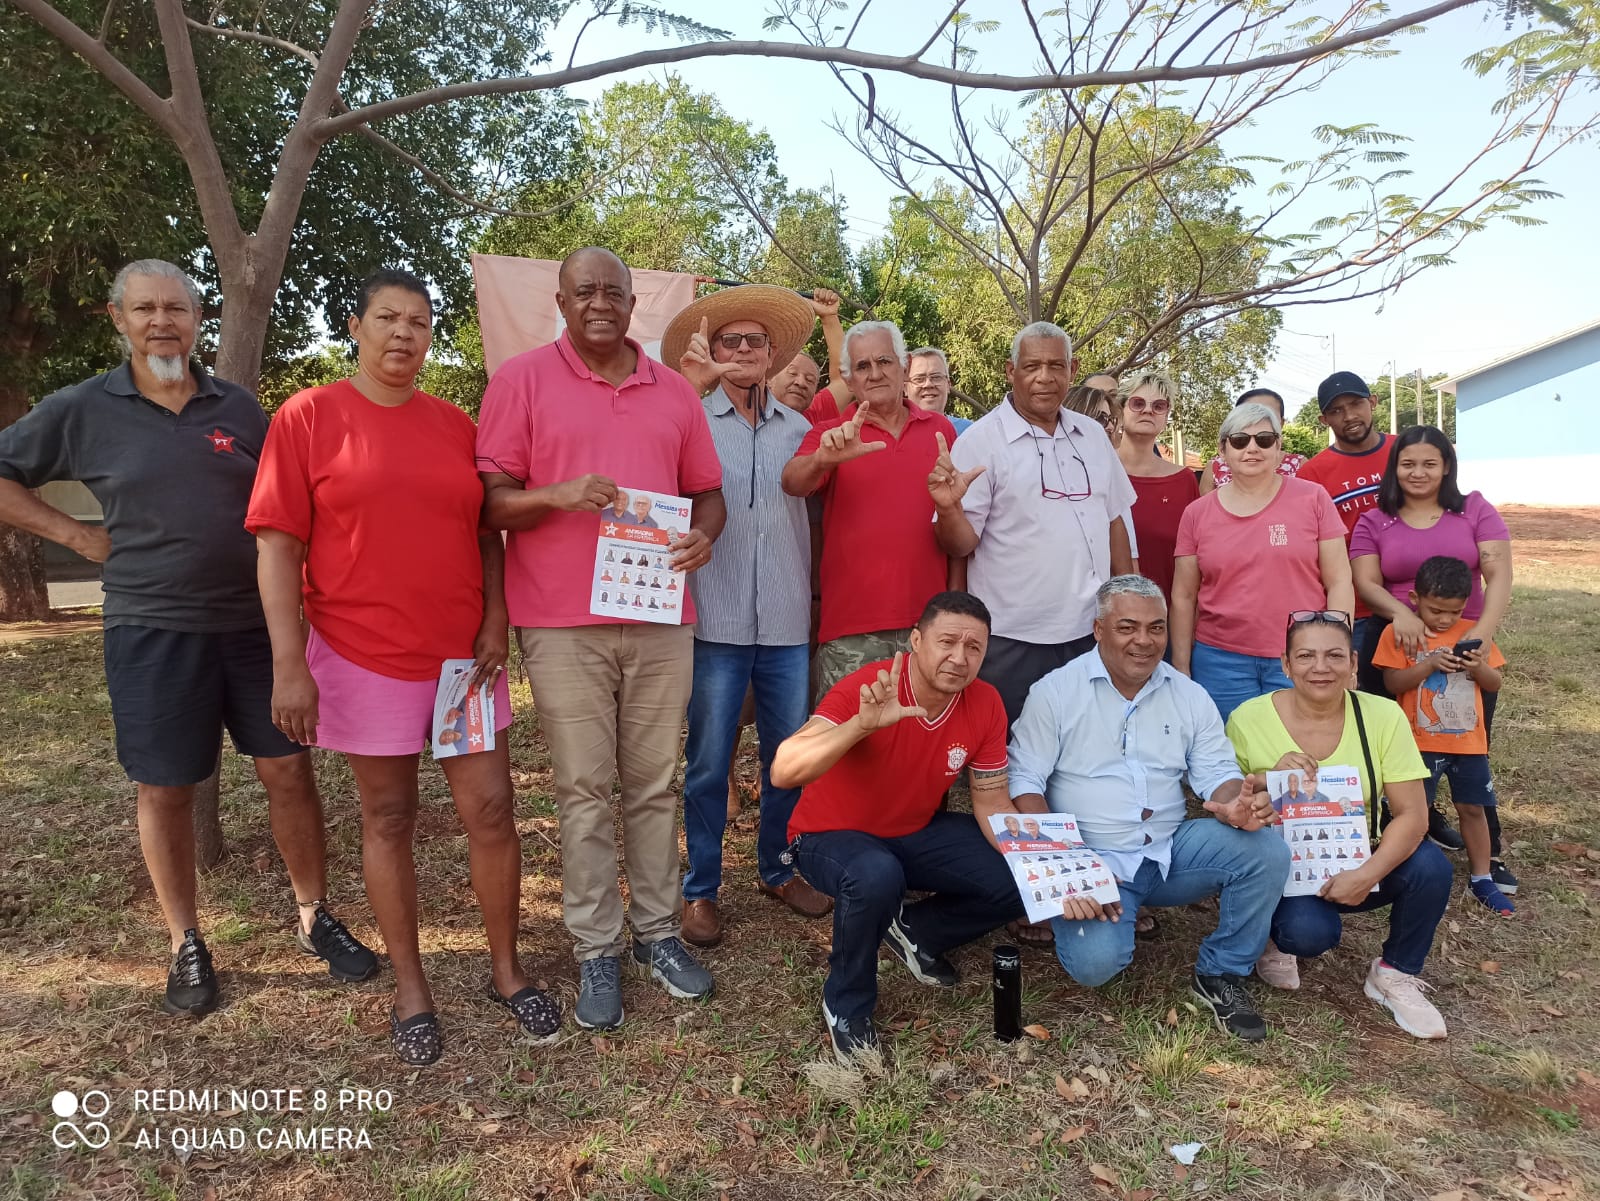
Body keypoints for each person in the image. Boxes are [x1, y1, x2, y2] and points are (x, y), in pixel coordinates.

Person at [0, 259, 374, 1018]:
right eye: (145, 309)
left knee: (288, 771)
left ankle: (313, 915)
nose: (162, 322)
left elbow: (288, 509)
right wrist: (73, 532)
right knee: (165, 787)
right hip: (150, 628)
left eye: (177, 308)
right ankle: (185, 941)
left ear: (198, 318)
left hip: (252, 626)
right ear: (118, 319)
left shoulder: (238, 408)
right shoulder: (81, 409)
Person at [249, 269, 548, 1064]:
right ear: (354, 325)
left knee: (491, 809)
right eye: (387, 317)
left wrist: (494, 617)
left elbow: (487, 528)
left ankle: (507, 970)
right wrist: (289, 663)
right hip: (361, 656)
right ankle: (411, 985)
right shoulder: (307, 417)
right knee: (388, 818)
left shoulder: (454, 423)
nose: (403, 334)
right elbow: (277, 547)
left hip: (463, 661)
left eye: (418, 321)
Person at [476, 247, 727, 1032]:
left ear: (632, 304)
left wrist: (704, 540)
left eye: (613, 292)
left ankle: (656, 933)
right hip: (560, 623)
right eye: (584, 290)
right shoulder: (519, 381)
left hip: (659, 617)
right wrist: (558, 494)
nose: (599, 303)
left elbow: (708, 495)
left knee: (654, 784)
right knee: (584, 790)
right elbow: (490, 506)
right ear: (561, 298)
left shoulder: (674, 393)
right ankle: (595, 946)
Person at [1005, 576, 1290, 1041]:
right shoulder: (1055, 692)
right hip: (1091, 857)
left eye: (1156, 628)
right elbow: (1025, 780)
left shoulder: (1188, 694)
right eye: (1127, 627)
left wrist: (1235, 801)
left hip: (1168, 850)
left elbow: (1216, 771)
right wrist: (1065, 869)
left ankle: (1221, 972)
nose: (1144, 641)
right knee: (1095, 967)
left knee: (1267, 850)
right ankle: (1089, 912)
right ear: (1098, 630)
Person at [771, 592, 1023, 1064]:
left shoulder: (985, 703)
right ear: (915, 641)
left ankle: (918, 931)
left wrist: (1040, 869)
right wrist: (860, 727)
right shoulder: (869, 688)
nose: (959, 657)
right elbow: (785, 769)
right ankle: (846, 1003)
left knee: (1016, 879)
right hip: (829, 836)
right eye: (947, 641)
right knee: (873, 875)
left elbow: (991, 801)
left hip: (911, 831)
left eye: (974, 648)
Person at [660, 284, 834, 948]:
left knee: (785, 757)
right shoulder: (689, 419)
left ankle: (777, 866)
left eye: (753, 342)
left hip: (787, 619)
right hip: (715, 616)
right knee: (708, 759)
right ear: (712, 351)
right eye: (729, 340)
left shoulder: (800, 431)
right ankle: (700, 888)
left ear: (771, 355)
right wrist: (688, 387)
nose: (741, 351)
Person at [1227, 611, 1452, 1039]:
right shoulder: (1247, 719)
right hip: (1283, 868)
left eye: (1334, 656)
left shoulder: (1382, 716)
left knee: (1431, 868)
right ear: (1285, 664)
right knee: (1309, 934)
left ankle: (1394, 974)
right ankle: (1273, 935)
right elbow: (1233, 815)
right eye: (1306, 656)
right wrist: (1270, 784)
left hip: (1355, 856)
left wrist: (1366, 875)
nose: (1320, 667)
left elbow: (1413, 815)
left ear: (1353, 664)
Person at [932, 322, 1138, 726]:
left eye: (1056, 366)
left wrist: (1128, 602)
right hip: (1012, 637)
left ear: (1072, 369)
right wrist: (951, 508)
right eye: (1032, 366)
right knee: (1014, 755)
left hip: (1089, 630)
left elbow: (1114, 520)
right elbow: (958, 546)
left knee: (1086, 747)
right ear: (1011, 371)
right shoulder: (981, 440)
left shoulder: (1093, 436)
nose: (1044, 377)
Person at [1350, 424, 1514, 880]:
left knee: (1469, 740)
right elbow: (1365, 580)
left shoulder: (1474, 509)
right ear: (1393, 467)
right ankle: (1398, 842)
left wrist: (1479, 635)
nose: (1418, 472)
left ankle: (1489, 852)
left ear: (1446, 467)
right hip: (1396, 637)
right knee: (1395, 743)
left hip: (1465, 639)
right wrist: (1400, 615)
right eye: (1407, 463)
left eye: (1429, 463)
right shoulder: (1374, 519)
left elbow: (1499, 574)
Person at [782, 320, 955, 697]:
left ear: (904, 366)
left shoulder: (941, 429)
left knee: (922, 747)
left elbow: (958, 523)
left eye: (884, 361)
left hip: (929, 627)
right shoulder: (832, 433)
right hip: (852, 631)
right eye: (862, 366)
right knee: (848, 748)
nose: (875, 373)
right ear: (847, 376)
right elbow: (793, 482)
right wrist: (823, 459)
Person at [1171, 403, 1354, 722]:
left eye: (1265, 440)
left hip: (1302, 656)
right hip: (1220, 661)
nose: (1252, 448)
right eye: (1240, 440)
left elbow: (1338, 581)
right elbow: (1184, 596)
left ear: (1279, 448)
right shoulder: (1197, 513)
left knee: (1303, 756)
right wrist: (1182, 667)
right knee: (1229, 758)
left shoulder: (1313, 499)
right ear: (1223, 450)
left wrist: (1337, 652)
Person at [1373, 556, 1512, 915]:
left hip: (1469, 744)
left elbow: (1495, 683)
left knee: (1473, 807)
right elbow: (1392, 684)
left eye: (1455, 612)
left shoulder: (1474, 635)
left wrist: (1479, 666)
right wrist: (1428, 665)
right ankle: (1403, 870)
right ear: (1414, 599)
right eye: (1437, 611)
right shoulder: (1399, 633)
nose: (1446, 620)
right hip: (1417, 745)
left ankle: (1482, 876)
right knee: (1412, 811)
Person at [1295, 372, 1393, 655]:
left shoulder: (1404, 450)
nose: (1349, 416)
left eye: (1356, 404)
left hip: (1414, 599)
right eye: (1336, 410)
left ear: (1373, 402)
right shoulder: (1312, 474)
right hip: (1356, 607)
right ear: (1324, 420)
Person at [1115, 370, 1199, 606]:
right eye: (1137, 403)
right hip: (1105, 618)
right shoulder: (1096, 469)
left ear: (1166, 415)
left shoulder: (1184, 481)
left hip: (1167, 616)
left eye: (1159, 405)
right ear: (1121, 410)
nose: (1148, 410)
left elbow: (1194, 560)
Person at [1199, 388, 1305, 494]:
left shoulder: (1300, 465)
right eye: (1249, 412)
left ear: (1281, 422)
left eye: (1268, 414)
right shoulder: (1215, 467)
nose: (1258, 417)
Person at [906, 346, 970, 434]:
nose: (928, 384)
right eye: (919, 379)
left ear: (948, 385)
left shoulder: (970, 432)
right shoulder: (893, 435)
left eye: (936, 377)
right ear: (905, 388)